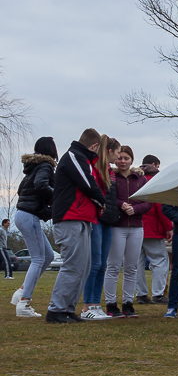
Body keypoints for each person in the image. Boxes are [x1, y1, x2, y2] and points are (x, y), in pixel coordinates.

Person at [46, 129, 106, 324]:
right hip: (71, 218)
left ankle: (67, 309)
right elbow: (87, 183)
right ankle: (56, 310)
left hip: (82, 218)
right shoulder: (74, 156)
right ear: (95, 146)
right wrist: (102, 202)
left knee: (83, 267)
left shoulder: (83, 158)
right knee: (73, 265)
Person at [12, 137, 58, 318]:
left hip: (23, 215)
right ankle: (24, 303)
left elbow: (23, 190)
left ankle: (21, 291)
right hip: (29, 216)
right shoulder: (46, 166)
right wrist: (57, 198)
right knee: (39, 259)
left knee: (48, 256)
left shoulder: (31, 168)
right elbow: (41, 186)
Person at [103, 146, 150, 318]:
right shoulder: (111, 177)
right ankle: (110, 303)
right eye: (120, 158)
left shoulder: (141, 179)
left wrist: (135, 209)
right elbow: (106, 197)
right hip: (117, 225)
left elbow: (148, 201)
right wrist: (120, 205)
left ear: (132, 160)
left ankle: (128, 303)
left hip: (136, 226)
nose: (123, 161)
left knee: (132, 267)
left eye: (126, 158)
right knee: (114, 266)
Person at [81, 135, 121, 320]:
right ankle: (87, 306)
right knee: (95, 264)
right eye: (118, 153)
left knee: (102, 265)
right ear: (109, 151)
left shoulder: (109, 171)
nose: (119, 157)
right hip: (97, 220)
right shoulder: (96, 169)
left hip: (108, 221)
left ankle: (96, 304)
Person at [135, 156, 173, 304]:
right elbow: (159, 206)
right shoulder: (155, 180)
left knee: (137, 262)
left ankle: (141, 294)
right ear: (154, 164)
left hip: (136, 225)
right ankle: (158, 293)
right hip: (152, 227)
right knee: (160, 260)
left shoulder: (136, 179)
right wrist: (168, 226)